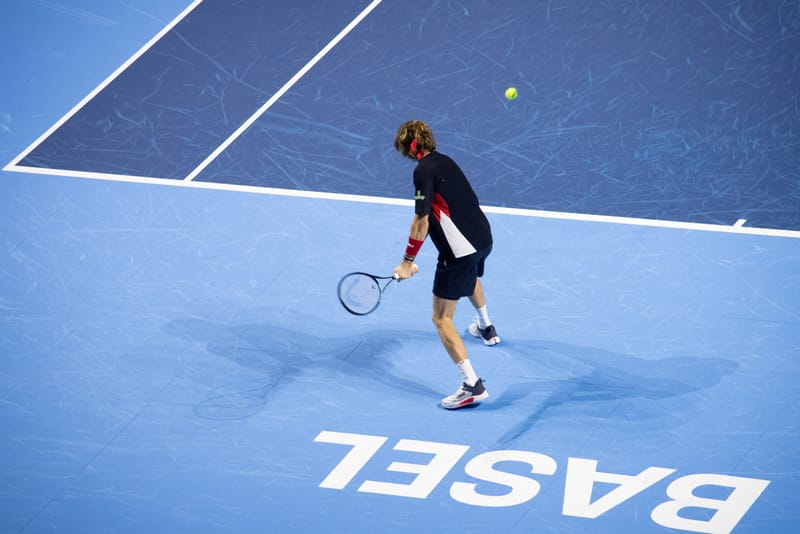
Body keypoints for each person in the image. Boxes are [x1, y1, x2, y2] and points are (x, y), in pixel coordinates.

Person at [391, 120, 501, 410]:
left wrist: (408, 261)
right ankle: (486, 327)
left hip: (459, 253)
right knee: (471, 275)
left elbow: (422, 220)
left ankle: (471, 386)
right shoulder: (445, 161)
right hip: (483, 239)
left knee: (441, 319)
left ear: (410, 146)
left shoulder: (422, 171)